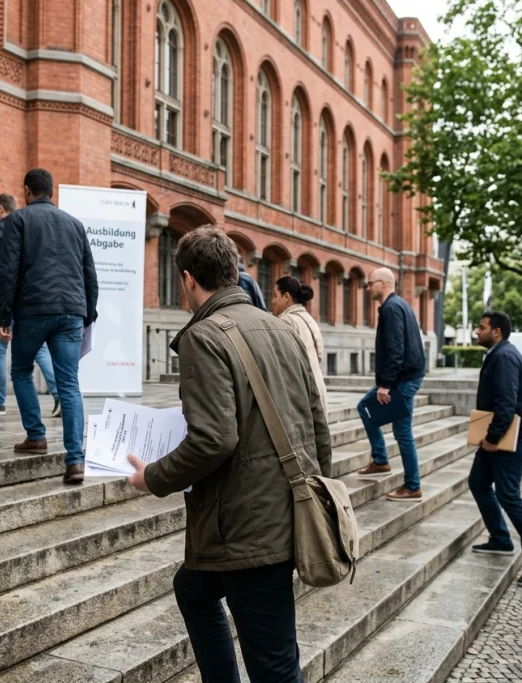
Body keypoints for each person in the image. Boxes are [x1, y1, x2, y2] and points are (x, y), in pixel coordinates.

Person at [124, 226, 330, 683]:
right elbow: (318, 424)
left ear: (187, 279)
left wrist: (152, 477)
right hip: (277, 510)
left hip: (248, 525)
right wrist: (314, 495)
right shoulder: (281, 329)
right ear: (233, 273)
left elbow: (214, 440)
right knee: (193, 590)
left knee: (274, 668)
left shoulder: (203, 336)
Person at [0, 168, 98, 485]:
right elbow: (89, 274)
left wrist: (3, 316)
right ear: (51, 191)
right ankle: (75, 460)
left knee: (21, 369)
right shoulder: (75, 224)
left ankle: (36, 436)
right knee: (69, 384)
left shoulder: (17, 221)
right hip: (71, 311)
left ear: (27, 190)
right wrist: (88, 315)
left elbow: (7, 271)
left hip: (33, 310)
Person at [470, 311, 522, 586]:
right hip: (501, 433)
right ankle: (501, 539)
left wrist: (492, 437)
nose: (477, 331)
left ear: (496, 331)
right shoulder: (499, 354)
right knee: (478, 482)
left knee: (508, 494)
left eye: (481, 327)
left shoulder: (504, 357)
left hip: (514, 436)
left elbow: (506, 402)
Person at [0, 194, 61, 418]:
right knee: (40, 348)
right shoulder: (28, 227)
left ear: (0, 208)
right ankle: (59, 395)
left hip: (5, 298)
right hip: (28, 299)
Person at [355, 267, 427, 502]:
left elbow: (396, 348)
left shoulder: (391, 308)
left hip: (402, 379)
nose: (368, 288)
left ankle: (413, 486)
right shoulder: (399, 305)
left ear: (384, 284)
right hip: (406, 377)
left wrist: (385, 385)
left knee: (402, 432)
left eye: (371, 283)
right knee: (365, 408)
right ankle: (380, 460)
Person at [273, 275, 328, 414]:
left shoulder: (286, 321)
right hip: (318, 394)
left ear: (286, 297)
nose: (273, 301)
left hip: (302, 399)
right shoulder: (309, 320)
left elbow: (282, 365)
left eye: (275, 295)